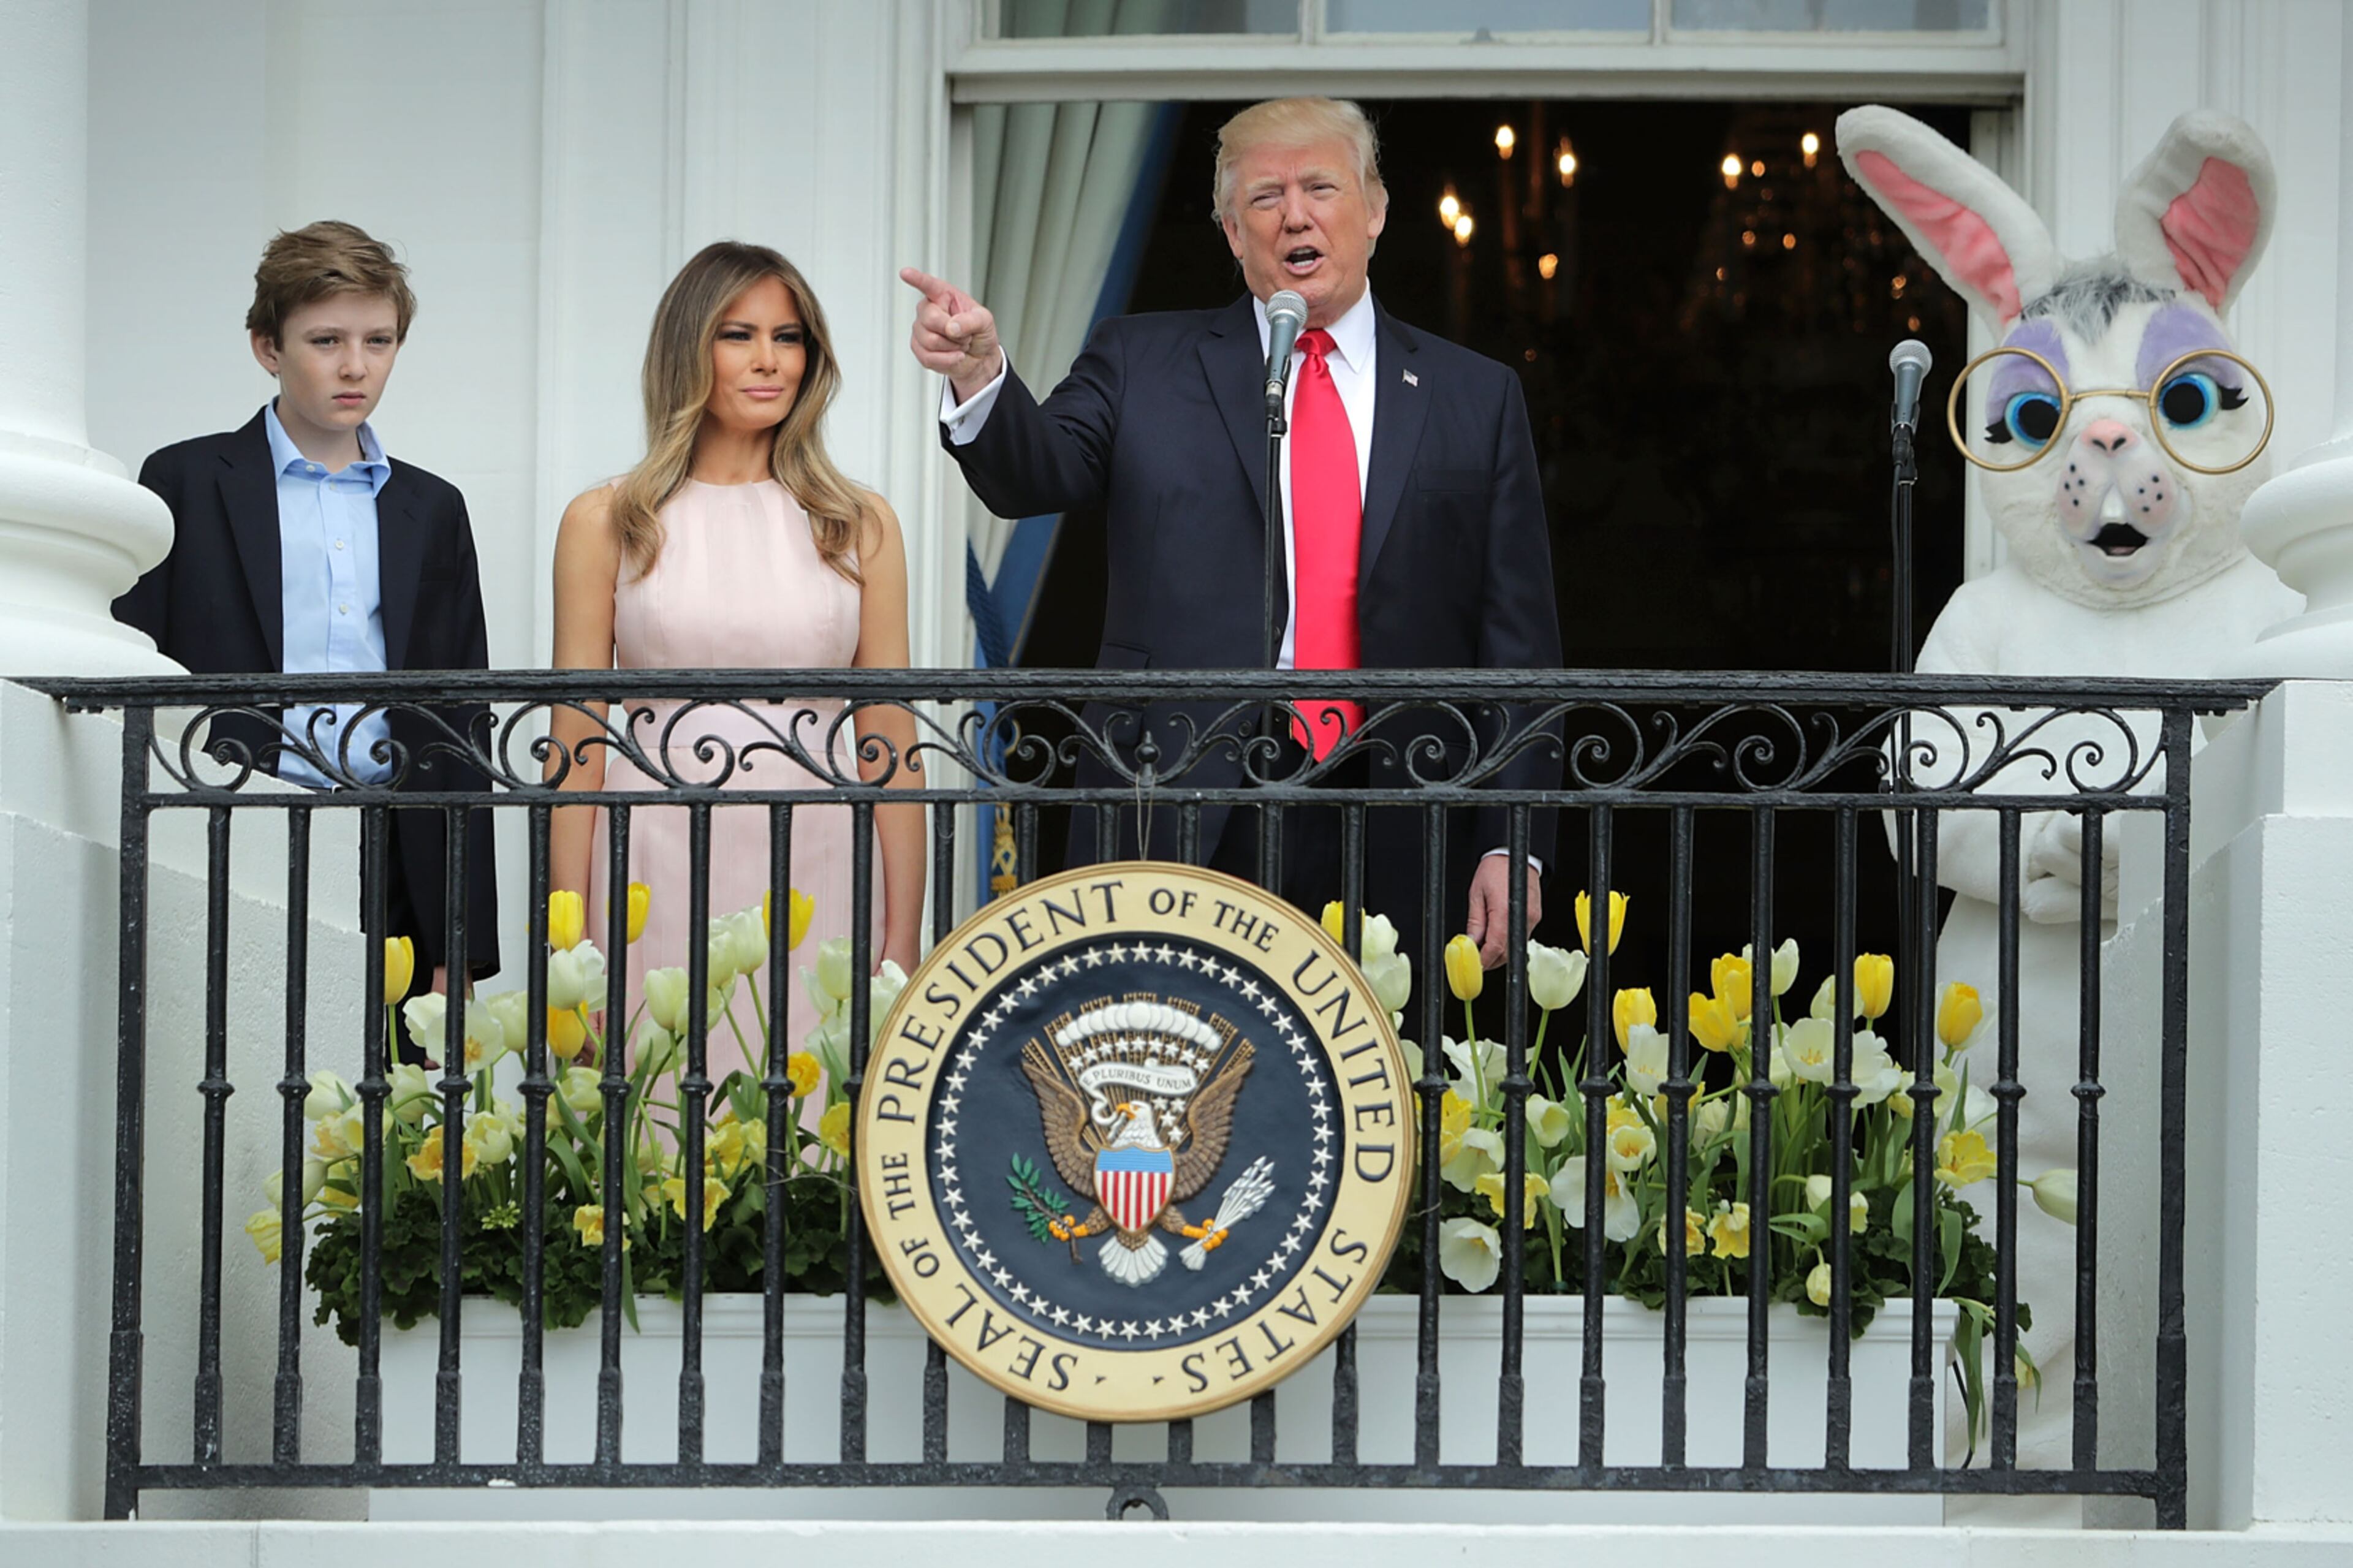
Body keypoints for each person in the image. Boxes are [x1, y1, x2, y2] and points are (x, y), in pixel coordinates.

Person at [904, 96, 1561, 968]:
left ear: (1375, 210)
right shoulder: (1141, 360)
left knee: (1384, 1093)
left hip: (1398, 805)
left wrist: (1511, 838)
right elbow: (1037, 473)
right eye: (1264, 196)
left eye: (1321, 186)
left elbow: (1518, 642)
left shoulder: (1474, 397)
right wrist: (983, 372)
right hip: (1176, 794)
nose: (1295, 213)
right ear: (1230, 232)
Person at [547, 242, 922, 1080]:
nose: (768, 360)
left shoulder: (861, 523)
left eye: (788, 337)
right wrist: (566, 949)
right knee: (652, 1121)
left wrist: (902, 938)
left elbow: (891, 740)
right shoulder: (606, 519)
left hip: (821, 849)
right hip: (650, 853)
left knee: (816, 1122)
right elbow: (574, 741)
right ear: (689, 349)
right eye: (738, 335)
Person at [115, 221, 499, 1009]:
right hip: (226, 829)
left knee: (381, 1104)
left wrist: (461, 940)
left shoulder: (432, 508)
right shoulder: (184, 479)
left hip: (392, 849)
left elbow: (463, 719)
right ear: (267, 346)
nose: (356, 366)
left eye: (379, 340)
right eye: (326, 340)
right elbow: (134, 681)